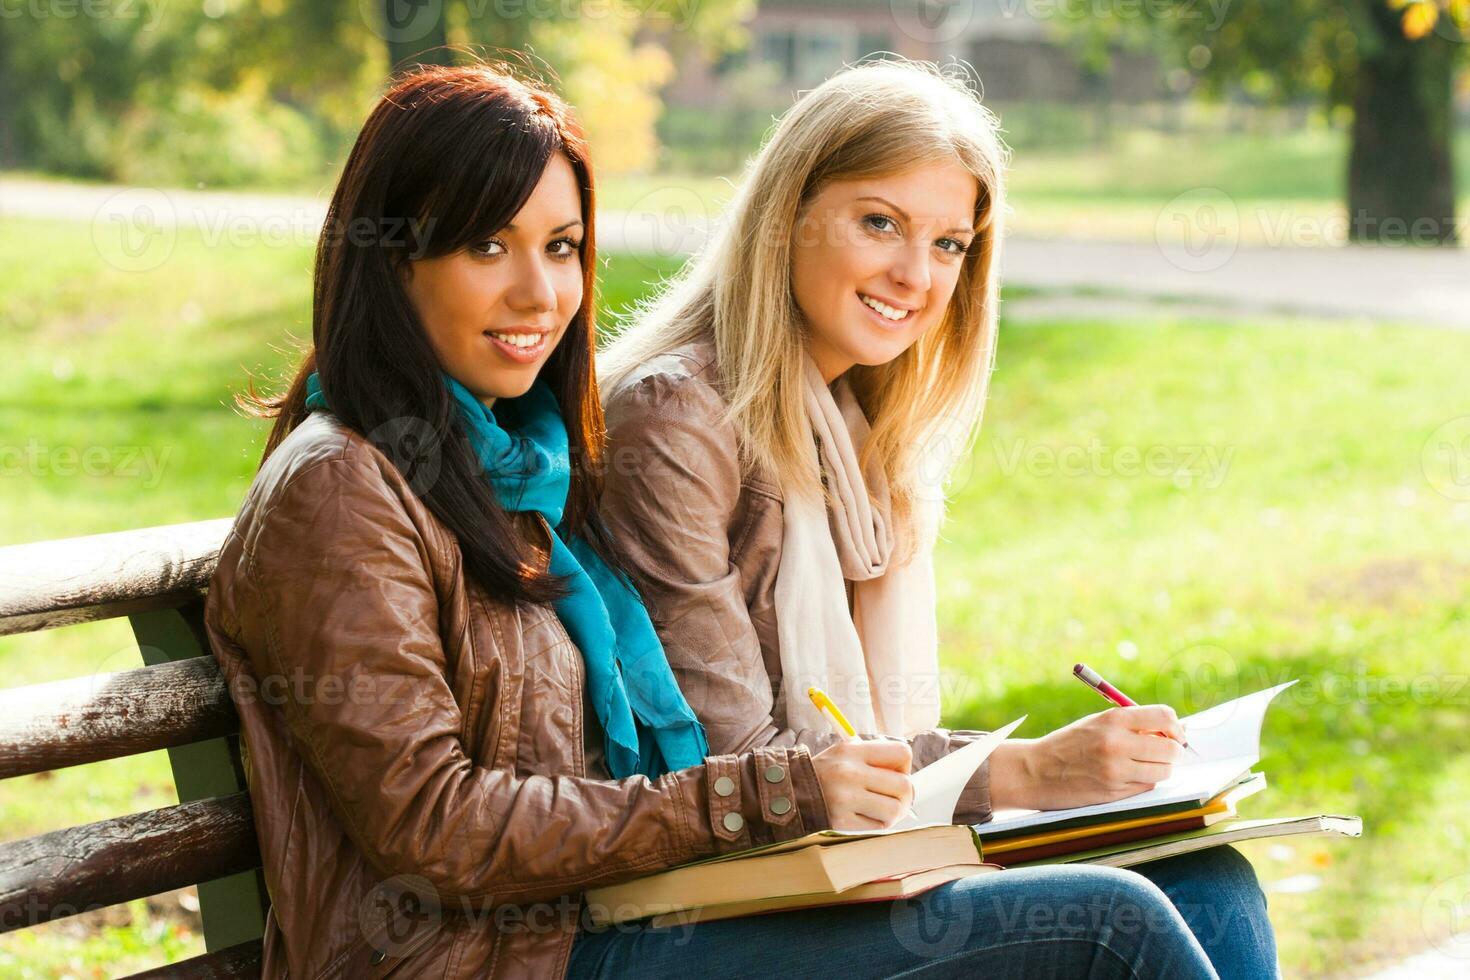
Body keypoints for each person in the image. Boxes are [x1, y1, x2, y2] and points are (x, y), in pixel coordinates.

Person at [205, 62, 1222, 979]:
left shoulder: (511, 471)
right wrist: (762, 797)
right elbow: (438, 826)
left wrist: (1018, 774)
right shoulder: (341, 487)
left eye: (563, 247)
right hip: (487, 957)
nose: (541, 291)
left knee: (1208, 886)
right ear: (392, 260)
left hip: (602, 921)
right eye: (486, 244)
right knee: (1110, 925)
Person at [597, 59, 1279, 979]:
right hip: (695, 902)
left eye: (951, 245)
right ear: (785, 215)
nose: (916, 276)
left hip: (836, 868)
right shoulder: (677, 418)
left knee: (1212, 879)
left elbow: (862, 748)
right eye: (880, 222)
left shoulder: (858, 436)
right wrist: (1029, 774)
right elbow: (741, 759)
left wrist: (1059, 778)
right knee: (1114, 921)